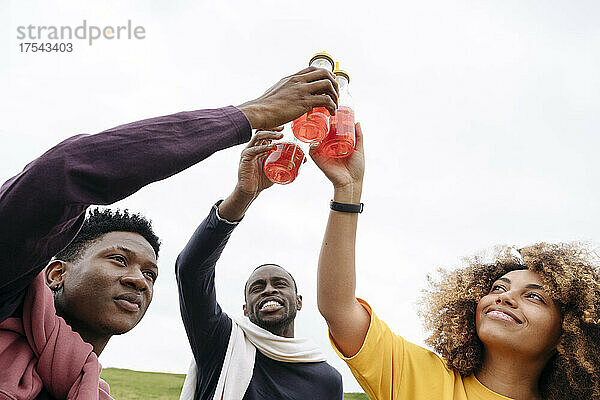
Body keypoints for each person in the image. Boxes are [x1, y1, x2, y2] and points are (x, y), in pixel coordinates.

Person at [0, 66, 339, 400]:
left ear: (299, 301)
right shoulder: (7, 302)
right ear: (56, 272)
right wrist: (251, 115)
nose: (139, 281)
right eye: (118, 259)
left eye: (150, 274)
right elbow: (61, 175)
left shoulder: (327, 379)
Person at [311, 123, 600, 400]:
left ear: (570, 330)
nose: (505, 297)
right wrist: (347, 192)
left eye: (534, 296)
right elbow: (338, 309)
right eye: (498, 288)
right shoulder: (421, 379)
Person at [177, 131, 343, 400]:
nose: (268, 290)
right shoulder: (220, 344)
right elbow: (191, 269)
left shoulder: (327, 379)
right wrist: (243, 194)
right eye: (257, 287)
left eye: (279, 284)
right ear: (245, 309)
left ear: (298, 301)